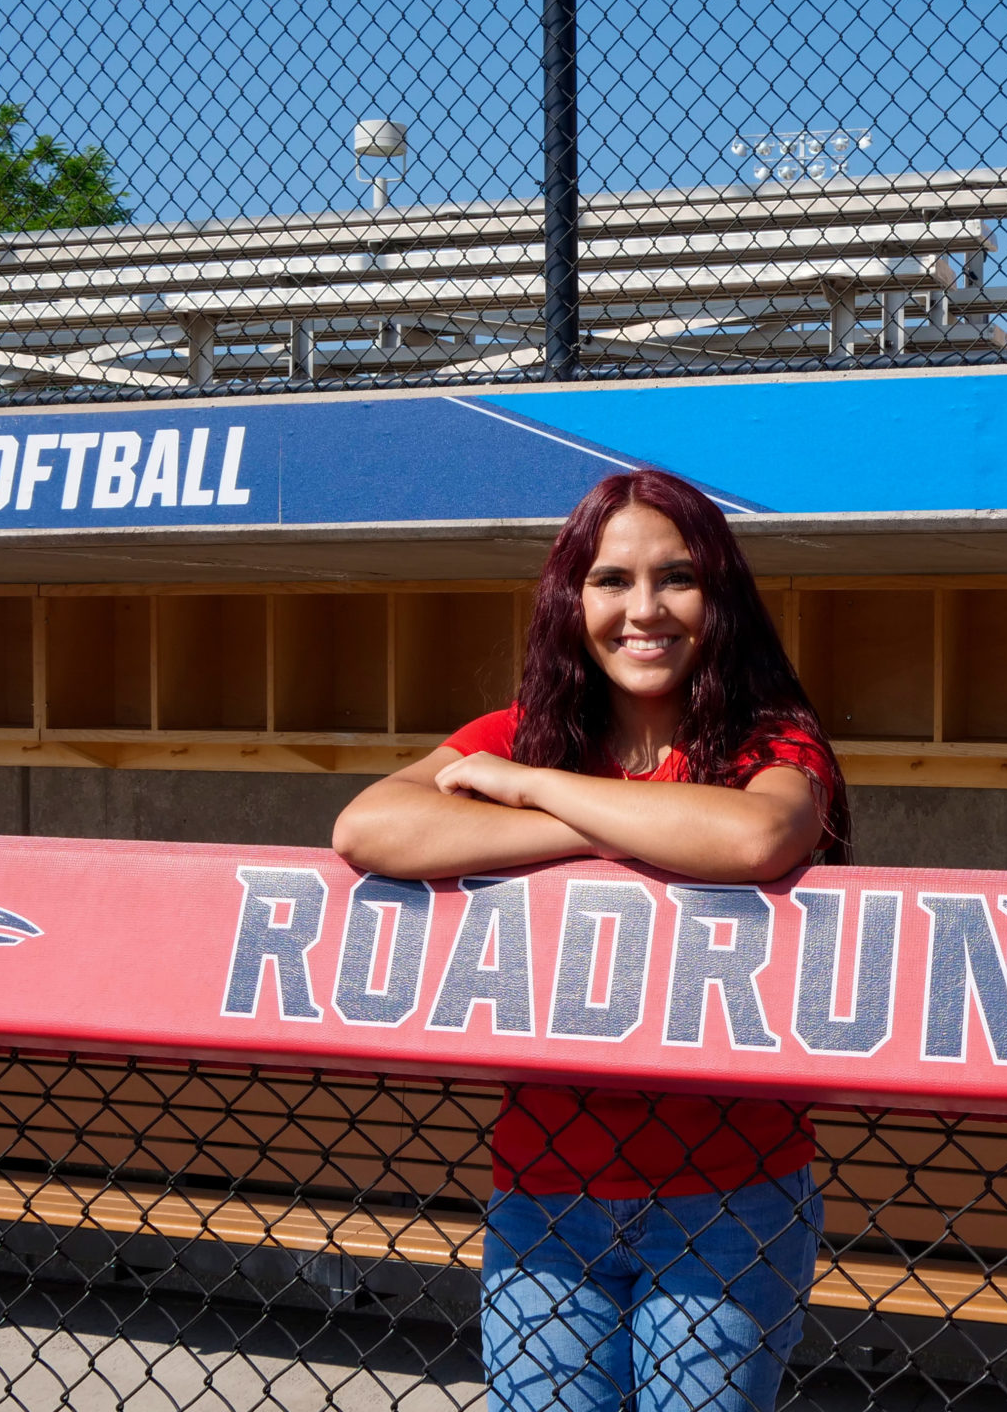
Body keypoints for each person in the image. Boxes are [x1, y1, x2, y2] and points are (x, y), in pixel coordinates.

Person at [332, 468, 850, 1412]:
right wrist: (599, 819)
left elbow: (755, 835)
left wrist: (528, 792)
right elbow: (370, 828)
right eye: (612, 580)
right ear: (573, 598)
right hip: (543, 1194)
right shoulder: (524, 734)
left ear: (718, 596)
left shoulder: (771, 742)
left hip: (728, 1198)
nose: (643, 609)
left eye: (676, 577)